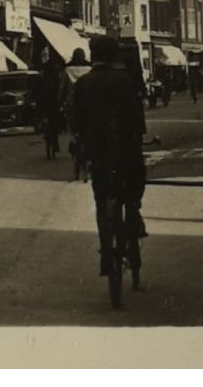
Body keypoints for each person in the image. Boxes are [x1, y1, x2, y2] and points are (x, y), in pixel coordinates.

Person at [70, 35, 148, 276]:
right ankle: (133, 211)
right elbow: (133, 115)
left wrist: (83, 144)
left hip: (97, 150)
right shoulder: (122, 80)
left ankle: (106, 251)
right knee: (135, 181)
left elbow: (76, 120)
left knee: (101, 201)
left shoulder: (83, 83)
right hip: (124, 147)